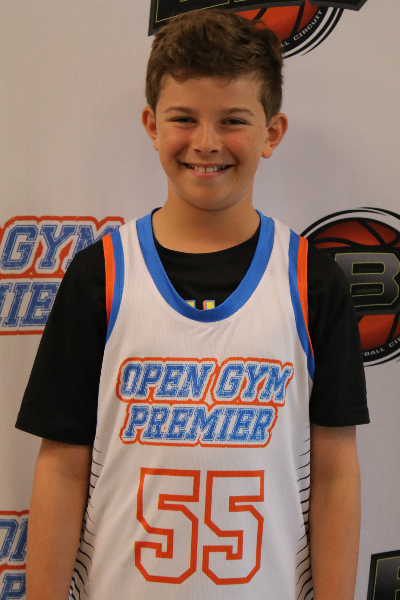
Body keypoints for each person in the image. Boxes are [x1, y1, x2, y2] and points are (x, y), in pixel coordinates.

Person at [16, 8, 369, 600]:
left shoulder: (313, 280)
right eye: (184, 118)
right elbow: (61, 464)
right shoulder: (100, 275)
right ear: (152, 125)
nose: (206, 143)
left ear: (272, 132)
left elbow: (334, 474)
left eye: (233, 120)